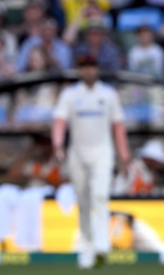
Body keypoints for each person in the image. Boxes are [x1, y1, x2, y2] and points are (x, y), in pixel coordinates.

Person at [52, 54, 130, 269]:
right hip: (77, 153)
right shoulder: (70, 94)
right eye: (84, 67)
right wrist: (58, 145)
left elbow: (118, 126)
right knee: (84, 202)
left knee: (100, 196)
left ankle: (102, 246)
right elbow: (60, 121)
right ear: (79, 70)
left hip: (103, 152)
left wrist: (124, 155)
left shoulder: (108, 94)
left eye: (91, 66)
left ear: (97, 69)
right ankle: (86, 248)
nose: (88, 71)